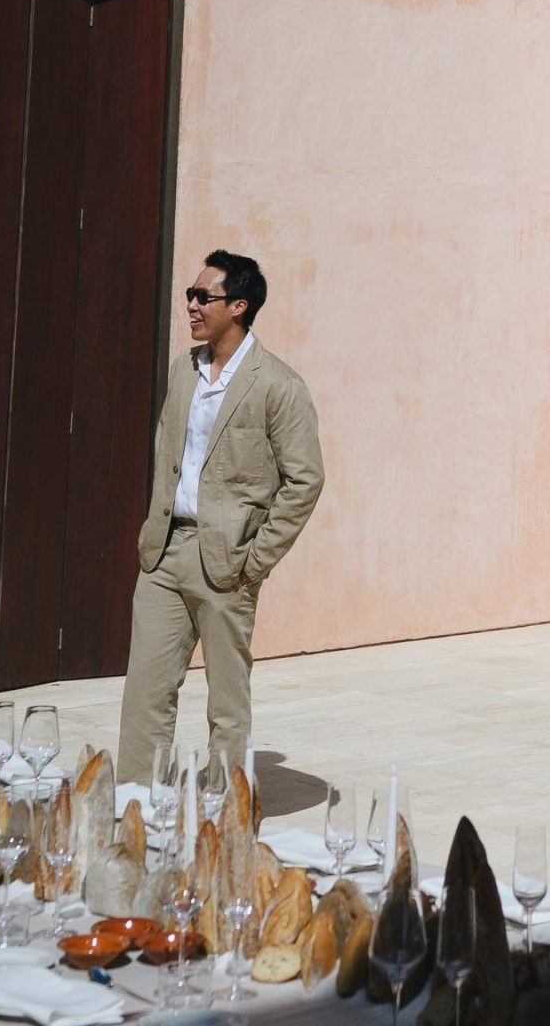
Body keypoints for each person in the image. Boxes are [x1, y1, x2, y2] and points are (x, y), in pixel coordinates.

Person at [117, 251, 324, 783]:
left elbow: (305, 480)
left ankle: (224, 812)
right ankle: (136, 808)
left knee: (226, 701)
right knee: (146, 689)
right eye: (189, 293)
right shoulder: (184, 369)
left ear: (238, 306)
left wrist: (256, 560)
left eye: (201, 296)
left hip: (227, 561)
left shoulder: (279, 385)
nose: (190, 304)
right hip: (164, 552)